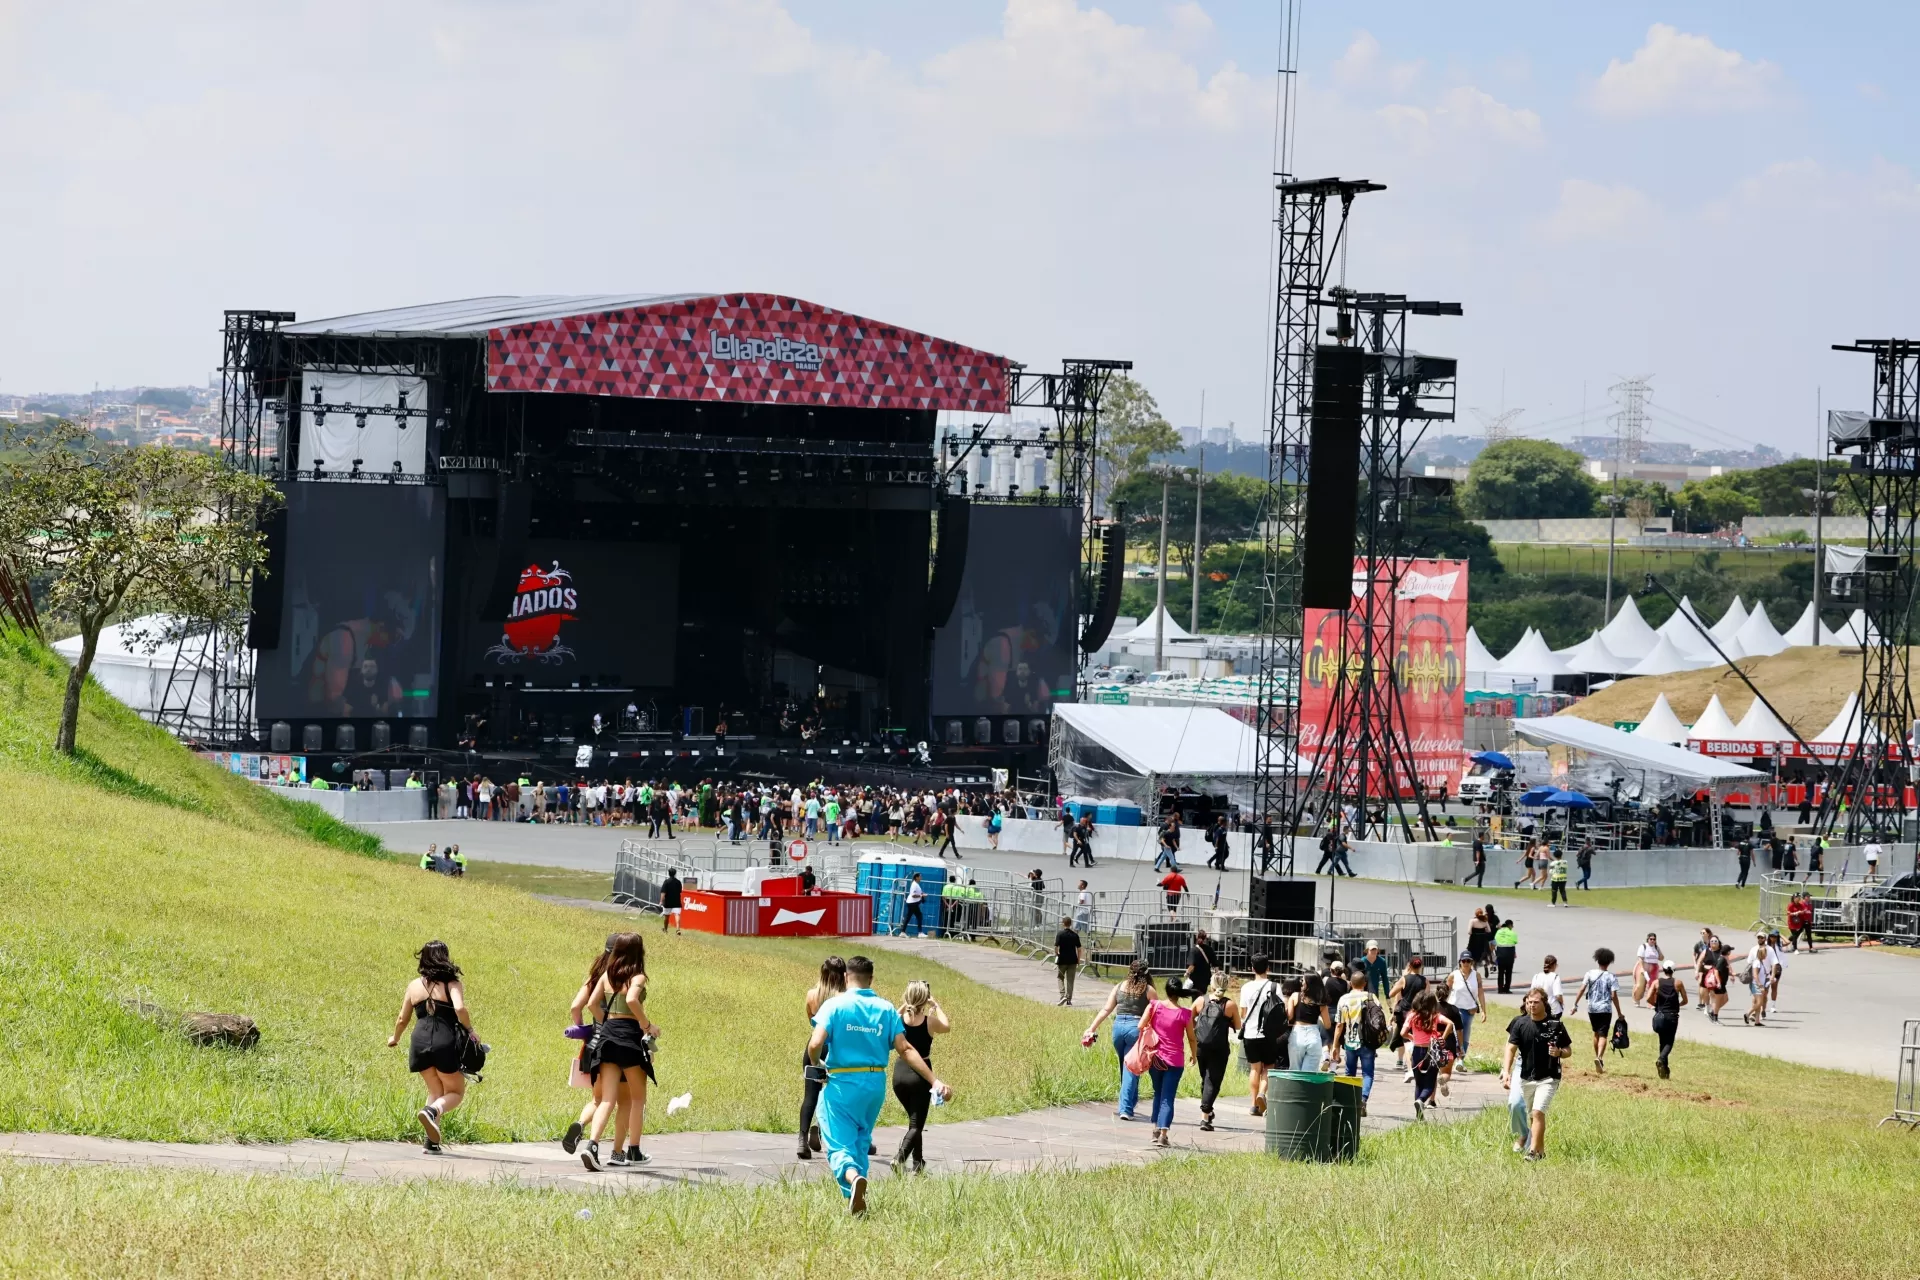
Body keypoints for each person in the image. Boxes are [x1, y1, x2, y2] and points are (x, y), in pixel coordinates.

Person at [807, 956, 948, 1213]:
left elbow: (815, 1043)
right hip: (874, 1084)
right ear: (871, 979)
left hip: (842, 1081)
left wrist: (818, 1065)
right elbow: (905, 1049)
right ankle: (857, 1197)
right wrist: (934, 1080)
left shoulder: (834, 1005)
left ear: (846, 978)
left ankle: (852, 1178)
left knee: (838, 1142)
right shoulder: (884, 1008)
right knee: (861, 1139)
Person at [578, 933, 659, 1170]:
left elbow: (592, 1004)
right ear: (638, 952)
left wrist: (608, 1023)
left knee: (607, 1099)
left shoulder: (606, 975)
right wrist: (646, 1025)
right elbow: (633, 1000)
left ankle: (592, 1146)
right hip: (629, 1037)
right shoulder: (638, 977)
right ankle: (631, 1150)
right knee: (637, 1098)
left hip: (607, 1036)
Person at [387, 940, 475, 1153]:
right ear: (445, 957)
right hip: (444, 1040)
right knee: (455, 1092)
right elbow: (460, 1008)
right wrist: (471, 1031)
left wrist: (395, 1038)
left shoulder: (414, 985)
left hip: (419, 1040)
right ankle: (431, 1111)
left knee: (436, 1089)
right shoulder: (452, 983)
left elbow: (402, 1018)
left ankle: (431, 1143)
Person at [563, 937, 631, 1160]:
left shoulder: (594, 977)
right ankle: (618, 1152)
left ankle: (580, 1123)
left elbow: (575, 1006)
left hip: (594, 1043)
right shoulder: (623, 978)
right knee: (624, 1101)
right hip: (616, 1041)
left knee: (597, 1099)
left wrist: (584, 1029)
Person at [1502, 986, 1571, 1161]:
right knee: (1531, 1113)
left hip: (1549, 1076)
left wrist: (1560, 1053)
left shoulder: (1555, 1025)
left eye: (1536, 1002)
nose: (1532, 1005)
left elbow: (1568, 1050)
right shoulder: (1520, 1023)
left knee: (1538, 1112)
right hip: (1526, 1075)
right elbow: (1510, 1048)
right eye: (1529, 1002)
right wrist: (1506, 1071)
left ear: (1544, 1003)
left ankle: (1532, 1152)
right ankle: (1540, 1151)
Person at [1084, 960, 1158, 1120]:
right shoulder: (1149, 990)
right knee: (1132, 1068)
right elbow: (1157, 1014)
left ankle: (1130, 1101)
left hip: (1118, 1028)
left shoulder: (1119, 987)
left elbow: (1106, 1009)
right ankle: (1126, 1109)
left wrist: (1091, 1028)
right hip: (1135, 1029)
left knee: (1126, 1066)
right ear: (1147, 973)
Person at [890, 980, 950, 1174]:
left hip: (899, 1074)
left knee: (914, 1121)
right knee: (917, 1124)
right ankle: (900, 1158)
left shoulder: (898, 1020)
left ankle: (918, 1162)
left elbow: (891, 1017)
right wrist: (936, 1006)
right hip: (920, 1074)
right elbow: (946, 1026)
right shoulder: (929, 1022)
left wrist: (904, 1005)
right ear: (925, 999)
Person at [797, 956, 847, 1161]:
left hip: (814, 1048)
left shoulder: (812, 994)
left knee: (811, 1095)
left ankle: (802, 1138)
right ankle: (822, 1131)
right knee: (837, 1095)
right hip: (838, 1050)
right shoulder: (845, 997)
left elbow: (811, 1020)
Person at [1142, 977, 1198, 1148]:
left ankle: (1155, 1130)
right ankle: (1163, 1135)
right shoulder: (1185, 1013)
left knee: (1158, 1093)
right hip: (1175, 1061)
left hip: (1156, 1058)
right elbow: (1191, 1038)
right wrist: (1194, 1055)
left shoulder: (1154, 1006)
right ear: (1179, 993)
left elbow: (1140, 1025)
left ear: (1166, 991)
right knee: (1168, 1096)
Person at [1235, 955, 1282, 1116]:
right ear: (1268, 968)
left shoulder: (1246, 988)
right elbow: (1282, 1011)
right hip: (1268, 1034)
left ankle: (1253, 1104)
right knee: (1268, 1066)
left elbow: (1243, 1012)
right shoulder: (1275, 987)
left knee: (1254, 1068)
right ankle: (1263, 1093)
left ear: (1252, 968)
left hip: (1250, 1033)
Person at [1191, 975, 1239, 1131]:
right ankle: (1205, 1118)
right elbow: (1238, 1025)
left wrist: (1197, 1028)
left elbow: (1189, 1018)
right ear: (1226, 986)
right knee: (1213, 1081)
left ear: (1211, 985)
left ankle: (1208, 1110)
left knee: (1205, 1079)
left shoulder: (1200, 1001)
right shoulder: (1229, 1005)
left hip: (1201, 1046)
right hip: (1219, 1048)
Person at [1332, 971, 1383, 1116]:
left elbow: (1339, 1025)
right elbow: (1379, 1016)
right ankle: (1363, 1099)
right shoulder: (1371, 996)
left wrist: (1335, 1045)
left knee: (1350, 1073)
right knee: (1367, 1074)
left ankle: (1351, 1103)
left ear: (1350, 983)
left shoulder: (1343, 999)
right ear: (1364, 983)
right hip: (1367, 1041)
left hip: (1349, 1041)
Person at [1400, 989, 1454, 1119]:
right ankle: (1421, 1101)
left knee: (1419, 1083)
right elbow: (1450, 1023)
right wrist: (1443, 1038)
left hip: (1417, 1051)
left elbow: (1402, 1033)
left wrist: (1412, 1037)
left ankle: (1418, 1114)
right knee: (1430, 1084)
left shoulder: (1412, 1016)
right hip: (1431, 1052)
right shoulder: (1434, 1016)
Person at [1570, 948, 1624, 1073]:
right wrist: (1619, 1012)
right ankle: (1599, 1057)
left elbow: (1582, 989)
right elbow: (1614, 996)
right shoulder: (1611, 976)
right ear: (1609, 962)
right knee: (1603, 1034)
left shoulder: (1589, 973)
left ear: (1597, 960)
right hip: (1605, 1008)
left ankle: (1597, 1057)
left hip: (1592, 1008)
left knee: (1595, 1033)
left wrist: (1575, 1004)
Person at [1388, 954, 1429, 1079]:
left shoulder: (1404, 979)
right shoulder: (1425, 981)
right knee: (1416, 1038)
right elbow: (1427, 998)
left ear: (1409, 965)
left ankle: (1410, 1068)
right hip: (1418, 1014)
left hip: (1404, 1013)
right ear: (1421, 966)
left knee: (1407, 1041)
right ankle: (1418, 1064)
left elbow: (1391, 993)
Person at [1285, 971, 1332, 1073]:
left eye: (1303, 980)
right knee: (1309, 1074)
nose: (1301, 982)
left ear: (1308, 983)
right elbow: (1328, 1025)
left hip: (1297, 1035)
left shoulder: (1295, 996)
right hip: (1313, 1035)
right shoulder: (1321, 1002)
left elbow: (1289, 1017)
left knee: (1295, 1072)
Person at [1443, 950, 1485, 1060]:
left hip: (1470, 1010)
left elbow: (1480, 993)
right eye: (1463, 961)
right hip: (1455, 1009)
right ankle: (1457, 1060)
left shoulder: (1477, 975)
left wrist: (1483, 1010)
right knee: (1458, 1034)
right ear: (1460, 962)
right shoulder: (1453, 975)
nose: (1466, 963)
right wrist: (1442, 1007)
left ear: (1472, 962)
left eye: (1468, 961)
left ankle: (1460, 1059)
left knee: (1465, 1035)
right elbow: (1445, 992)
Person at [1649, 962, 1686, 1079]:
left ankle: (1664, 1069)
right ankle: (1661, 1060)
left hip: (1660, 1016)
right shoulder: (1678, 983)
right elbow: (1685, 1000)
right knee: (1669, 1042)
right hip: (1672, 1016)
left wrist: (1656, 1006)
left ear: (1663, 970)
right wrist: (1677, 1005)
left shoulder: (1656, 983)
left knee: (1662, 1042)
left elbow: (1648, 998)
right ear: (1673, 970)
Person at [1742, 933, 1773, 1027]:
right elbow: (1755, 975)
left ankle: (1757, 1021)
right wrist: (1760, 985)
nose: (1766, 955)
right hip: (1756, 984)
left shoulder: (1761, 962)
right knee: (1759, 1002)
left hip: (1761, 984)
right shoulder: (1756, 963)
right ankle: (1748, 1014)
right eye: (1765, 953)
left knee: (1758, 1002)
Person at [1053, 917, 1083, 1007]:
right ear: (1071, 924)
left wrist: (1057, 954)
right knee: (1070, 980)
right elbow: (1079, 949)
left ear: (1063, 923)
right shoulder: (1075, 935)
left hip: (1062, 960)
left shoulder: (1060, 934)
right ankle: (1069, 1000)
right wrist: (1078, 960)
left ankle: (1062, 995)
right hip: (1072, 960)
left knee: (1060, 977)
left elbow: (1056, 947)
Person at [1529, 954, 1565, 1018]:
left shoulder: (1536, 976)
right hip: (1553, 1009)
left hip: (1540, 1008)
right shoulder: (1555, 977)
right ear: (1554, 965)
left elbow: (1532, 993)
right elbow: (1558, 995)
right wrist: (1562, 1003)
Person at [1633, 933, 1664, 1006]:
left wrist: (1659, 951)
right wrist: (1642, 969)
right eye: (1651, 939)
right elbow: (1640, 959)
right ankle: (1636, 999)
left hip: (1654, 969)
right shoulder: (1643, 946)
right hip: (1644, 968)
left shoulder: (1656, 947)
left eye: (1654, 939)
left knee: (1652, 986)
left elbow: (1661, 958)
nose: (1652, 941)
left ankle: (1651, 1003)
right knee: (1640, 986)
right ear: (1648, 939)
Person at [1184, 929, 1217, 995]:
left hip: (1195, 978)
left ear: (1196, 937)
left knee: (1195, 997)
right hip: (1205, 977)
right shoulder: (1210, 949)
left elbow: (1191, 966)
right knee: (1203, 995)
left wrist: (1187, 973)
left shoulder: (1193, 950)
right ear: (1205, 938)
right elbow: (1215, 964)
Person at [1493, 918, 1519, 994]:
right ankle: (1506, 988)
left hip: (1500, 952)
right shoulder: (1512, 933)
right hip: (1509, 953)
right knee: (1508, 972)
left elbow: (1495, 941)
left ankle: (1500, 989)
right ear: (1510, 925)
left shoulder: (1498, 932)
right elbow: (1515, 941)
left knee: (1500, 971)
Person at [898, 873, 927, 938]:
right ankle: (920, 933)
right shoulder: (914, 884)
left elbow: (918, 892)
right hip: (912, 903)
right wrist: (921, 895)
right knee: (919, 916)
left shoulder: (916, 884)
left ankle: (903, 932)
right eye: (920, 876)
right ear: (916, 877)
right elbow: (913, 895)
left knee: (909, 917)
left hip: (913, 903)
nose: (921, 878)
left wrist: (922, 894)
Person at [659, 867, 684, 934]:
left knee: (666, 916)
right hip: (676, 901)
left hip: (668, 902)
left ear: (669, 873)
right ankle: (678, 929)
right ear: (675, 874)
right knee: (677, 915)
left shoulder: (666, 882)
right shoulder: (678, 882)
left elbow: (663, 892)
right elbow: (680, 891)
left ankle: (665, 929)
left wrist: (661, 901)